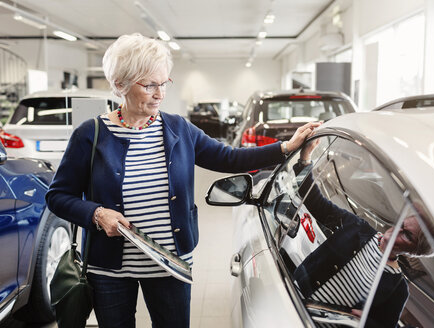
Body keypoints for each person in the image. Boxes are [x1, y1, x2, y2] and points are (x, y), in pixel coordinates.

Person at [45, 33, 320, 328]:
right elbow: (58, 196)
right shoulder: (90, 134)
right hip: (110, 270)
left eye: (164, 83)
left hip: (170, 263)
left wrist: (285, 148)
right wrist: (98, 214)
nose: (159, 93)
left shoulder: (178, 129)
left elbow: (229, 158)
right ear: (120, 84)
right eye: (150, 85)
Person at [292, 140, 434, 328]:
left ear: (415, 251)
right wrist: (304, 160)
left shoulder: (397, 290)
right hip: (290, 300)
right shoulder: (357, 227)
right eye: (401, 224)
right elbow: (314, 201)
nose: (395, 232)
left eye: (407, 235)